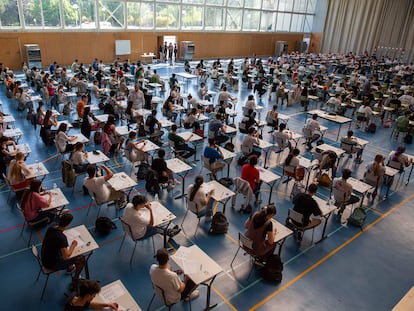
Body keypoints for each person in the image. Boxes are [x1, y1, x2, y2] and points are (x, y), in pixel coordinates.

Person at [41, 213, 86, 282]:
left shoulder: (51, 227)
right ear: (68, 225)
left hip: (44, 256)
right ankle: (76, 279)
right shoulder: (61, 238)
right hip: (50, 264)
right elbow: (66, 256)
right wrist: (73, 245)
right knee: (81, 259)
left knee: (61, 250)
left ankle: (70, 267)